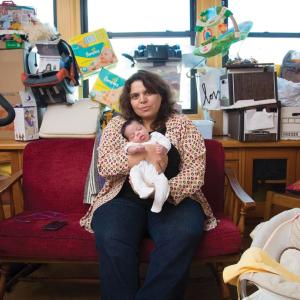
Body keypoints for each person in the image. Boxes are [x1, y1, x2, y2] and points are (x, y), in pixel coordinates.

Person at [80, 70, 217, 300]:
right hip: (121, 198)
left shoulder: (182, 125)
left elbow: (196, 172)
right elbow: (105, 166)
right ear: (129, 101)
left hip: (173, 198)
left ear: (161, 95)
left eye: (148, 92)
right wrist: (144, 154)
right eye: (135, 96)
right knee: (111, 236)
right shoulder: (117, 126)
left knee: (183, 233)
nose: (142, 100)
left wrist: (161, 192)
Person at [121, 118, 171, 213]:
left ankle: (158, 204)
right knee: (134, 172)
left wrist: (163, 148)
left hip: (156, 171)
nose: (138, 134)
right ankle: (142, 189)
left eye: (139, 129)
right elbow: (127, 149)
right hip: (142, 170)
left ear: (145, 127)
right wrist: (134, 149)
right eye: (133, 135)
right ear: (129, 140)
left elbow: (166, 142)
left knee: (163, 182)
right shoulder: (132, 144)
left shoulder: (155, 136)